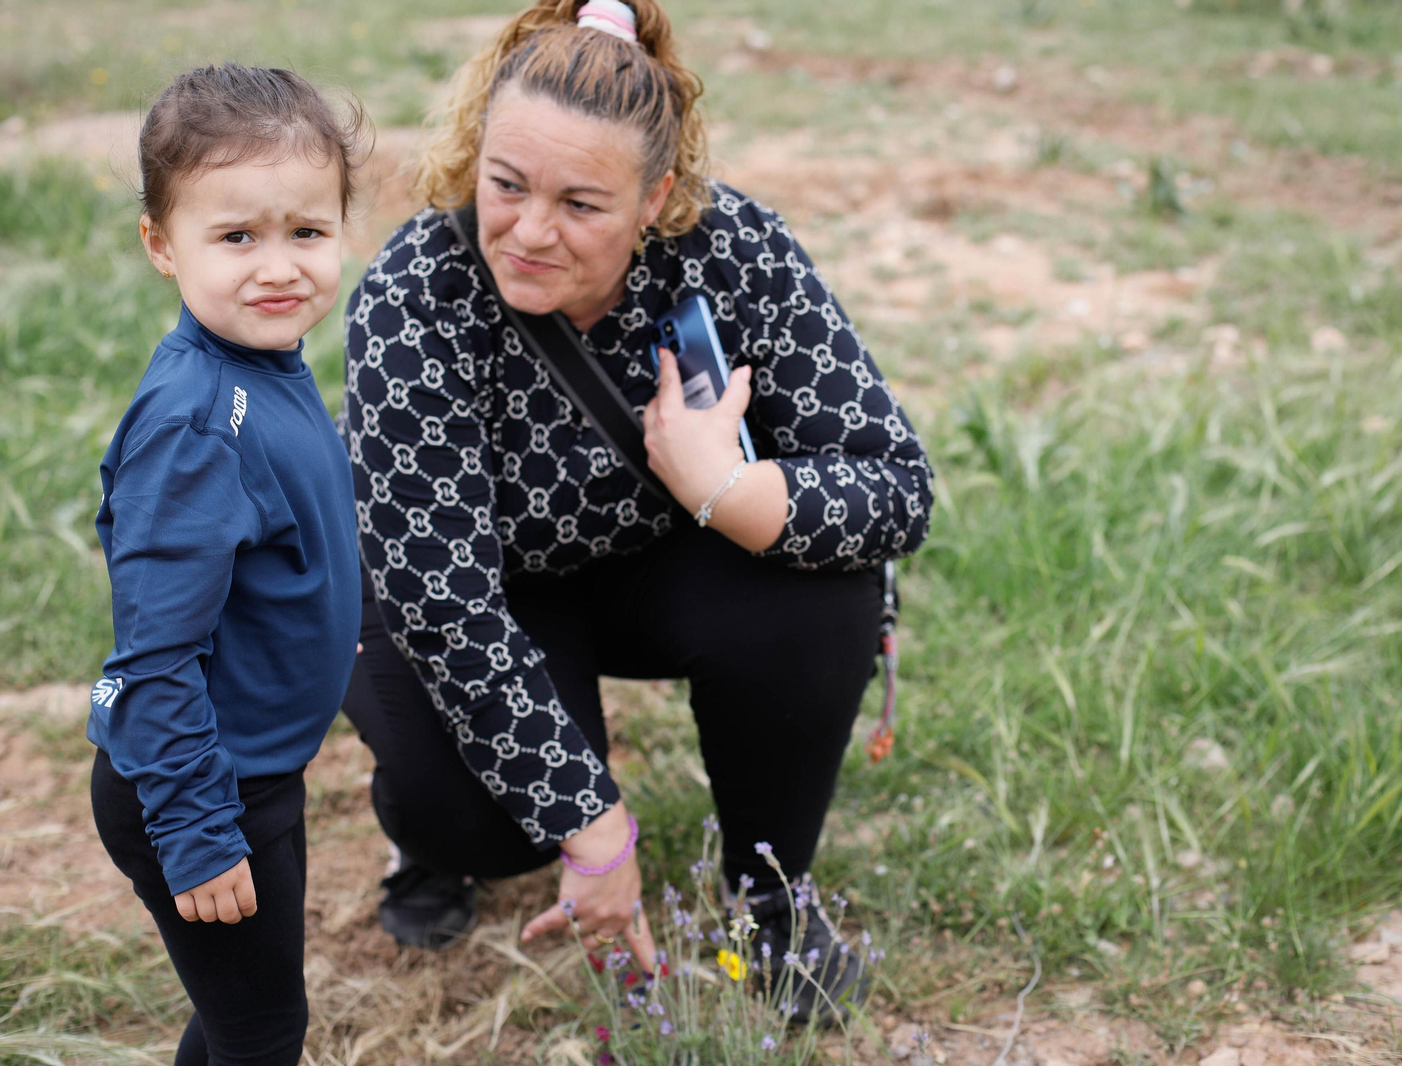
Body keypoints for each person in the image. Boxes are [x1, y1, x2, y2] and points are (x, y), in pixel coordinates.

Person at [339, 0, 932, 1020]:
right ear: (477, 154)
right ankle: (427, 839)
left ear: (655, 196)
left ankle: (769, 898)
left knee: (822, 590)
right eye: (506, 184)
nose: (530, 231)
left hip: (659, 556)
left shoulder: (735, 250)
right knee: (485, 820)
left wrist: (727, 489)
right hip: (478, 589)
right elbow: (445, 607)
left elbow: (896, 484)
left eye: (581, 203)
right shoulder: (414, 294)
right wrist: (593, 825)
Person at [86, 64, 368, 1066]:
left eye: (308, 231)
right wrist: (198, 830)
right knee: (263, 1029)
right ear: (162, 244)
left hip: (251, 773)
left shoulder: (261, 365)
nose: (278, 267)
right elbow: (155, 652)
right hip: (201, 784)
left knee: (241, 1013)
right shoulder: (199, 425)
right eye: (236, 236)